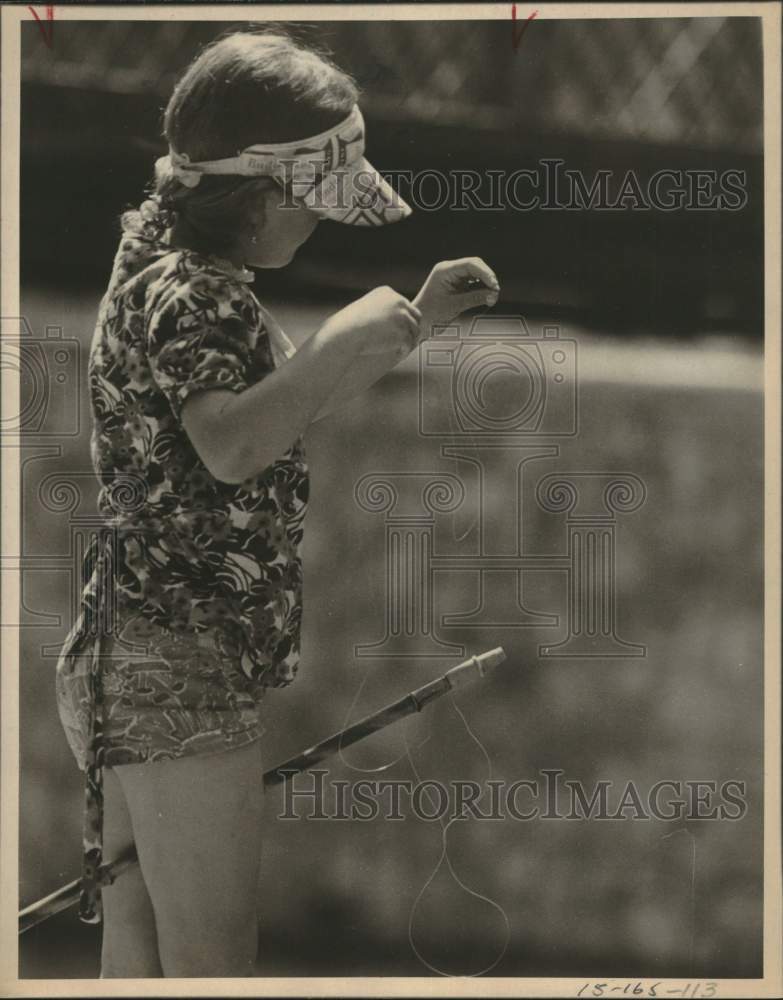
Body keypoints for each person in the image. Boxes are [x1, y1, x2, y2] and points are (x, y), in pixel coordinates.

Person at [54, 28, 500, 979]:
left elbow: (270, 410)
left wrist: (410, 323)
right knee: (213, 962)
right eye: (310, 204)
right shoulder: (198, 297)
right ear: (256, 195)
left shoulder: (157, 257)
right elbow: (232, 445)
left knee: (140, 952)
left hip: (129, 647)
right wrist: (341, 342)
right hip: (178, 664)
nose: (319, 226)